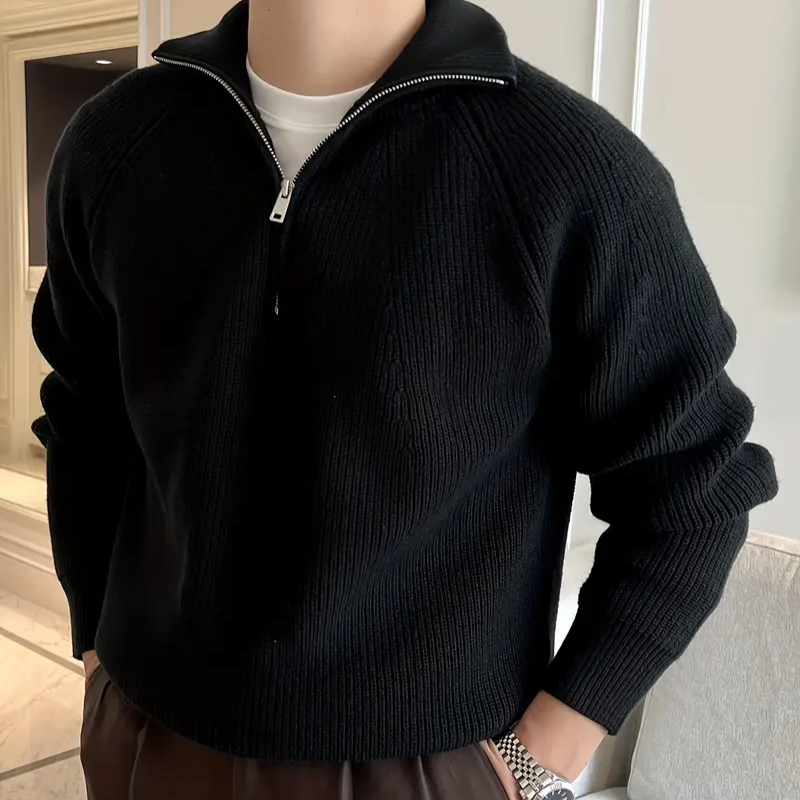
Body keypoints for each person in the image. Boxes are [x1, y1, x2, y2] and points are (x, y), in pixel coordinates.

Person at [31, 0, 778, 798]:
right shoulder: (115, 142)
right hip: (146, 733)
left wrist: (533, 760)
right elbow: (84, 424)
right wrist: (96, 652)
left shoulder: (569, 174)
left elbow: (694, 497)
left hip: (426, 767)